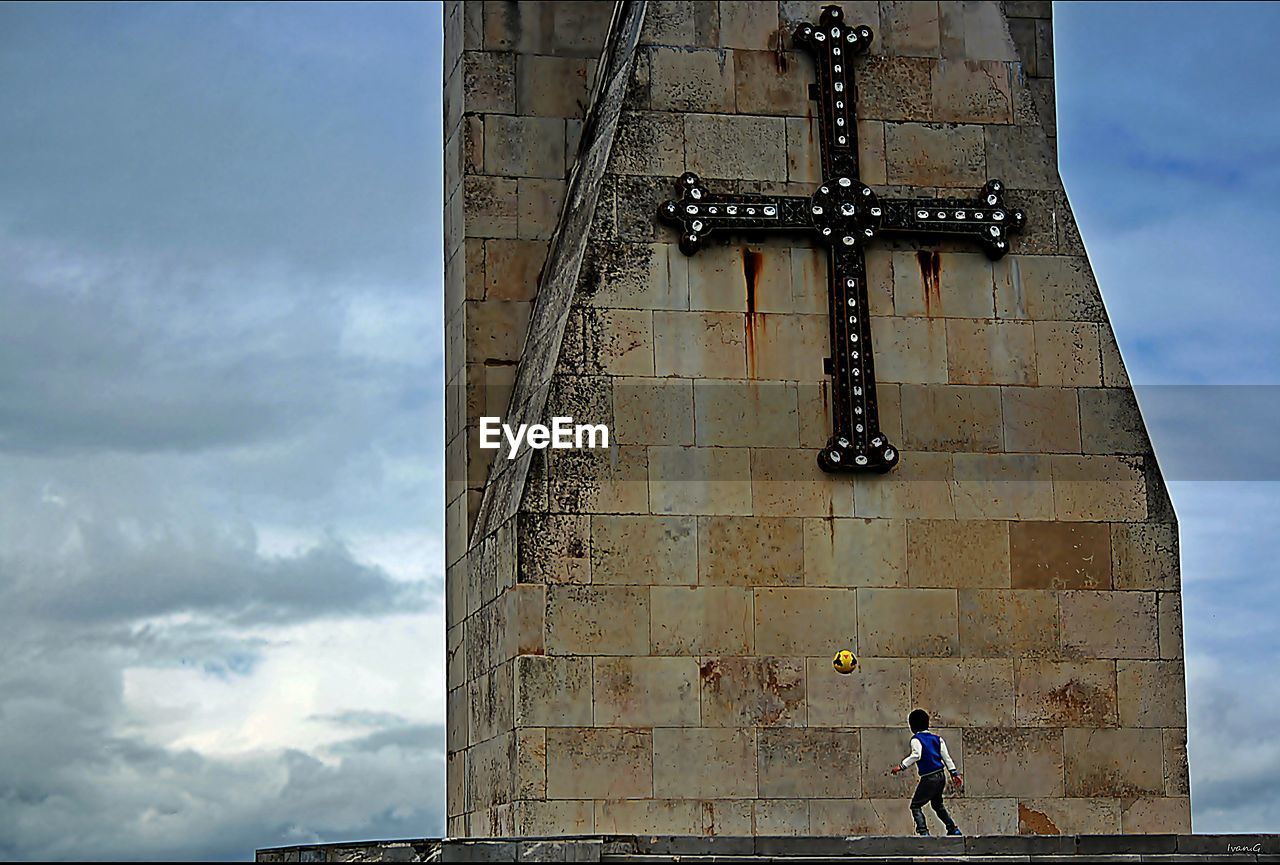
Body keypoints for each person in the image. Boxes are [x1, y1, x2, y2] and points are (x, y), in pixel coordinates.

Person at [889, 708, 963, 837]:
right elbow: (946, 758)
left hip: (929, 777)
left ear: (912, 726)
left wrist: (901, 766)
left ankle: (923, 832)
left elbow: (917, 754)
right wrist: (954, 773)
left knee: (915, 805)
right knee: (937, 804)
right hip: (941, 776)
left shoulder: (916, 739)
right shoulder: (937, 739)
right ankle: (953, 828)